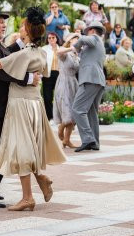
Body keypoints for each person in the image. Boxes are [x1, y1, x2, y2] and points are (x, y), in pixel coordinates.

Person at [0, 7, 66, 211]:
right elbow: (3, 70)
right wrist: (28, 78)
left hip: (1, 104)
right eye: (0, 21)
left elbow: (7, 58)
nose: (4, 24)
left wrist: (22, 45)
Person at [67, 21, 106, 152]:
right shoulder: (97, 43)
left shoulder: (95, 38)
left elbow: (83, 39)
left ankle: (88, 139)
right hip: (96, 80)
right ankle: (94, 142)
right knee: (91, 112)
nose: (85, 33)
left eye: (87, 30)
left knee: (77, 109)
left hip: (90, 79)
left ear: (93, 31)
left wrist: (76, 46)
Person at [53, 33, 80, 149]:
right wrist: (71, 48)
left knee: (74, 110)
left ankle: (66, 140)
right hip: (64, 82)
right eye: (76, 39)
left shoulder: (76, 54)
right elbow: (59, 52)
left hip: (74, 83)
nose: (78, 41)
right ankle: (61, 127)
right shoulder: (65, 52)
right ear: (70, 40)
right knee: (66, 108)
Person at [41, 32, 60, 121]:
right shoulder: (44, 49)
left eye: (53, 37)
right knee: (47, 97)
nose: (51, 39)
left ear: (56, 38)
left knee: (58, 96)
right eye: (49, 38)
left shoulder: (61, 49)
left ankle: (58, 117)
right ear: (47, 39)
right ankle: (50, 117)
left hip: (59, 75)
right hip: (47, 75)